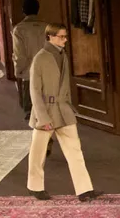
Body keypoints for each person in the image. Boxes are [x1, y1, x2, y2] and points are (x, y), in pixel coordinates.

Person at [27, 24, 97, 201]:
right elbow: (34, 91)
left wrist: (68, 106)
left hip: (63, 110)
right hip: (46, 112)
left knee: (75, 150)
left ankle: (84, 189)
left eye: (65, 36)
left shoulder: (62, 55)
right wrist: (43, 118)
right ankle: (35, 186)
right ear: (50, 36)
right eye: (61, 36)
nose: (65, 40)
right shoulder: (40, 58)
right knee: (38, 153)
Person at [11, 0, 49, 123]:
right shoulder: (46, 27)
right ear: (38, 9)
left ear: (23, 11)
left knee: (31, 112)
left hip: (29, 73)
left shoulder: (19, 30)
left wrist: (18, 72)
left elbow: (20, 55)